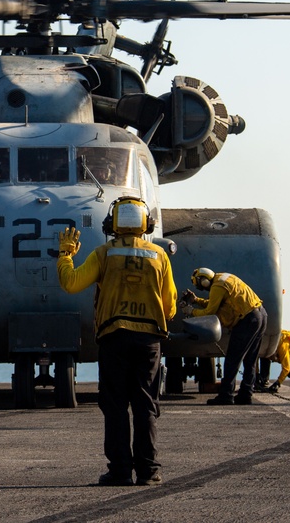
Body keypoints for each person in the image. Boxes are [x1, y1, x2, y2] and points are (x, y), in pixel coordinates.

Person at [57, 196, 177, 487]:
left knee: (115, 406)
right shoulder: (159, 256)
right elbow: (170, 306)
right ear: (146, 224)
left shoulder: (103, 254)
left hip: (115, 338)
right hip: (149, 341)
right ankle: (148, 472)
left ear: (112, 224)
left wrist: (65, 254)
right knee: (145, 406)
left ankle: (120, 471)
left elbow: (71, 283)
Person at [182, 268, 267, 406]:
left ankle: (226, 395)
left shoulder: (217, 286)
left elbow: (210, 311)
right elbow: (216, 303)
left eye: (199, 284)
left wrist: (191, 311)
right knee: (250, 360)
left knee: (232, 359)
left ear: (203, 281)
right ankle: (246, 394)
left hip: (247, 320)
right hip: (261, 315)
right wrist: (196, 300)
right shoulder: (223, 278)